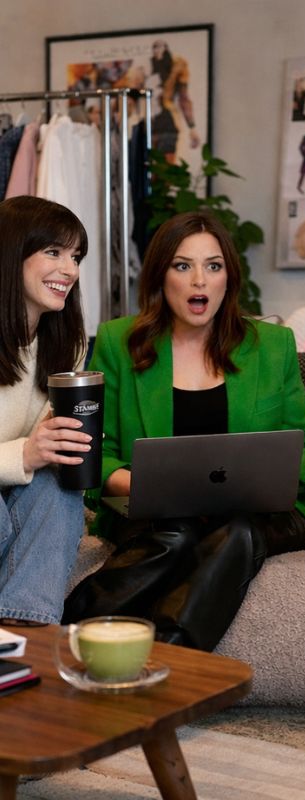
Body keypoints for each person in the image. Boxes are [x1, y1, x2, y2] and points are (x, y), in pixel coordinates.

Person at [63, 211, 305, 650]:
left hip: (261, 514)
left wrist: (267, 479)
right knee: (175, 534)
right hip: (157, 512)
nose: (200, 280)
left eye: (213, 266)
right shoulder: (118, 342)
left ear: (228, 278)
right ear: (161, 276)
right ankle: (70, 624)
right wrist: (139, 485)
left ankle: (171, 650)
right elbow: (96, 453)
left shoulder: (272, 345)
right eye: (183, 265)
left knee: (237, 529)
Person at [0, 196, 90, 625]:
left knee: (61, 486)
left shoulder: (68, 344)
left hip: (18, 493)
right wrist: (26, 453)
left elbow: (48, 451)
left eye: (76, 257)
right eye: (53, 252)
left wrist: (71, 444)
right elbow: (30, 452)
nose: (69, 270)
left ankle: (25, 627)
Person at [150, 39, 199, 152]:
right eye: (155, 48)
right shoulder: (148, 66)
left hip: (168, 123)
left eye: (160, 47)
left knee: (166, 161)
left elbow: (184, 99)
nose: (157, 51)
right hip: (148, 124)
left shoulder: (176, 67)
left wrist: (192, 127)